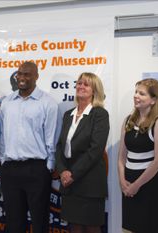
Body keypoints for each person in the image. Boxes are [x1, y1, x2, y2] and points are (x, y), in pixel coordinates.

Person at [0, 61, 59, 233]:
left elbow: (51, 137)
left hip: (37, 169)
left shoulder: (48, 103)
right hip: (10, 168)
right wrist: (2, 160)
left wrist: (49, 166)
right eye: (20, 73)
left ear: (36, 77)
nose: (22, 77)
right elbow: (3, 134)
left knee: (39, 222)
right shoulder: (7, 102)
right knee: (13, 223)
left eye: (27, 74)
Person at [55, 72, 109, 233]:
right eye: (79, 83)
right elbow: (59, 146)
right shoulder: (67, 115)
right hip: (69, 183)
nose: (81, 86)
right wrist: (62, 170)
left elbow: (96, 150)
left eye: (86, 84)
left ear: (95, 90)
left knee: (92, 227)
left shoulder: (99, 114)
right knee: (75, 226)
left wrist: (72, 174)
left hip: (90, 182)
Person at [118, 78, 158, 233]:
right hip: (128, 184)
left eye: (141, 93)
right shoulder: (128, 121)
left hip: (150, 187)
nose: (136, 96)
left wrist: (136, 185)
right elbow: (121, 156)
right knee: (129, 229)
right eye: (136, 92)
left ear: (153, 100)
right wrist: (122, 181)